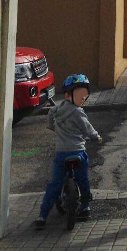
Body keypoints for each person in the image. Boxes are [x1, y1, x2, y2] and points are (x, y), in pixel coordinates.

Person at [34, 74, 102, 229]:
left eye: (84, 95)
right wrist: (96, 137)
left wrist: (53, 127)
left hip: (61, 153)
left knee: (55, 184)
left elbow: (50, 121)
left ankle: (42, 215)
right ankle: (85, 207)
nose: (82, 98)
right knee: (83, 179)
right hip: (78, 152)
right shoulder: (78, 112)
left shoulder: (55, 111)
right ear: (68, 95)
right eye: (80, 95)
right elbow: (87, 128)